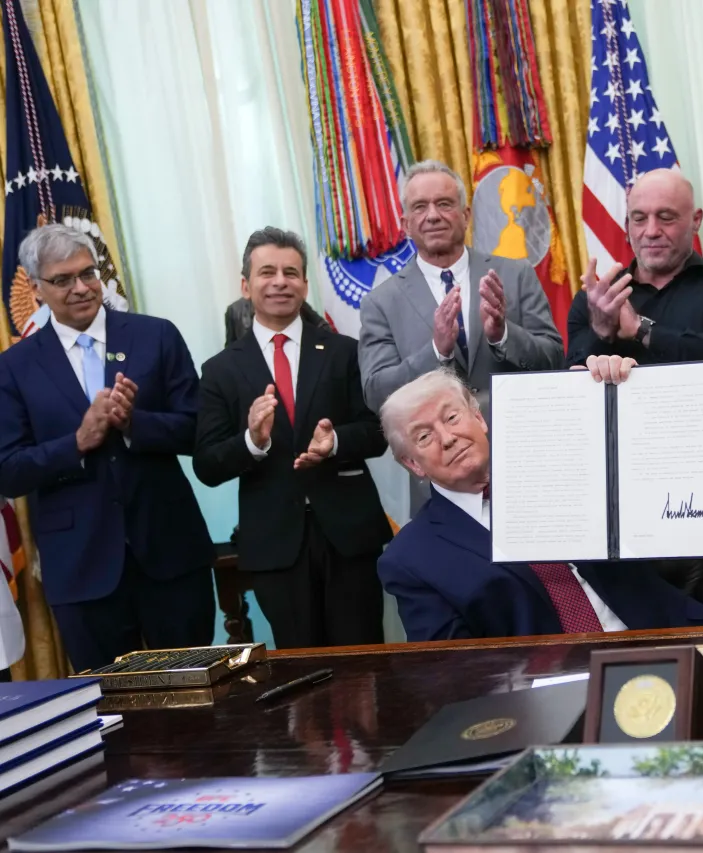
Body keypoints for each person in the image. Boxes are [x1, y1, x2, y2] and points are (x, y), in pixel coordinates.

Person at [376, 360, 703, 641]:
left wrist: (610, 391)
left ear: (478, 418)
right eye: (424, 436)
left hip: (663, 638)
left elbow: (648, 463)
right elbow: (453, 669)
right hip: (547, 690)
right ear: (412, 463)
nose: (448, 438)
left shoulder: (564, 467)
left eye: (452, 417)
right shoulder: (411, 558)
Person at [0, 223, 214, 671]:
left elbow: (199, 430)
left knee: (196, 690)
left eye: (88, 273)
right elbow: (9, 470)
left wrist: (134, 423)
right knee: (110, 701)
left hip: (170, 552)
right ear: (36, 289)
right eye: (63, 280)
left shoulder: (156, 336)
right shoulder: (14, 367)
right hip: (82, 567)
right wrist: (78, 442)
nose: (81, 288)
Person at [567, 169, 703, 596]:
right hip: (626, 491)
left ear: (695, 220)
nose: (651, 231)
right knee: (644, 618)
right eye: (639, 218)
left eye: (666, 217)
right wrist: (602, 331)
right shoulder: (598, 299)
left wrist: (640, 330)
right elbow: (576, 389)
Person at [194, 228, 391, 649]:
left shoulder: (344, 351)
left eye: (291, 273)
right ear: (246, 285)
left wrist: (334, 443)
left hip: (349, 537)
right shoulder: (220, 370)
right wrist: (252, 441)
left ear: (304, 283)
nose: (280, 282)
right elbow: (207, 464)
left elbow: (377, 433)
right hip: (275, 543)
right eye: (267, 272)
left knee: (365, 661)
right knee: (301, 666)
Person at [359, 160, 564, 514]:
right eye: (420, 207)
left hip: (525, 465)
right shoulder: (381, 302)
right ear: (405, 224)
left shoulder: (515, 274)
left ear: (466, 215)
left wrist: (503, 336)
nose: (433, 215)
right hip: (440, 485)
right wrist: (436, 351)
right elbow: (377, 393)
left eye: (444, 203)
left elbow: (554, 360)